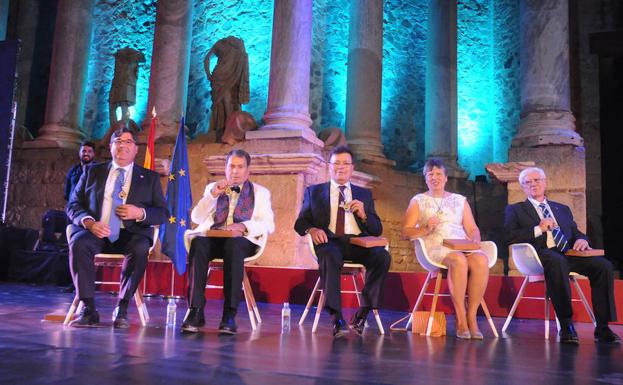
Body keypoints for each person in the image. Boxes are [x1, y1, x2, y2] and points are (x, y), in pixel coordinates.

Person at [66, 128, 168, 328]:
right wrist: (89, 223)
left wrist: (140, 213)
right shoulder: (91, 171)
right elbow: (72, 204)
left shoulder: (149, 178)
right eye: (118, 141)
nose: (122, 145)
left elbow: (162, 213)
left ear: (136, 149)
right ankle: (88, 308)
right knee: (79, 243)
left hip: (130, 233)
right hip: (97, 232)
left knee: (139, 248)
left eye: (128, 141)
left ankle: (122, 306)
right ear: (111, 147)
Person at [504, 166, 619, 344]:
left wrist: (583, 241)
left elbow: (575, 232)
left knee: (603, 266)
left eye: (537, 180)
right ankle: (566, 325)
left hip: (567, 253)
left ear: (545, 182)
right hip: (539, 255)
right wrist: (538, 229)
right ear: (523, 187)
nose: (533, 184)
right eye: (528, 182)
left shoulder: (561, 209)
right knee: (556, 261)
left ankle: (603, 327)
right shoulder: (516, 210)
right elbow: (509, 236)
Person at [294, 146, 391, 338]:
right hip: (329, 241)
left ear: (352, 168)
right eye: (336, 163)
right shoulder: (314, 191)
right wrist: (312, 230)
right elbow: (300, 223)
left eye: (345, 163)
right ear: (329, 167)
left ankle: (362, 313)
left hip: (357, 243)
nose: (341, 167)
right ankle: (337, 318)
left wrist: (363, 215)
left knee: (382, 256)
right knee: (330, 255)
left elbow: (377, 229)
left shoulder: (363, 194)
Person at [182, 149, 274, 335]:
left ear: (248, 171)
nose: (235, 171)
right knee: (198, 243)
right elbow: (197, 217)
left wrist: (244, 226)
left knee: (234, 246)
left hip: (242, 241)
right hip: (216, 237)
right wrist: (212, 196)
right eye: (231, 166)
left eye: (240, 167)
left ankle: (229, 314)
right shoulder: (213, 188)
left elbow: (268, 225)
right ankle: (196, 311)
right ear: (225, 169)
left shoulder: (260, 193)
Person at [401, 159, 490, 340]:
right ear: (425, 179)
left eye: (438, 174)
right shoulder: (418, 201)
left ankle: (472, 317)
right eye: (430, 174)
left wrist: (474, 239)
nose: (435, 178)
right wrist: (426, 228)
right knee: (458, 259)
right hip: (435, 246)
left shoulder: (459, 200)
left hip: (460, 244)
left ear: (446, 178)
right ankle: (461, 319)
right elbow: (405, 232)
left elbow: (473, 228)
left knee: (481, 260)